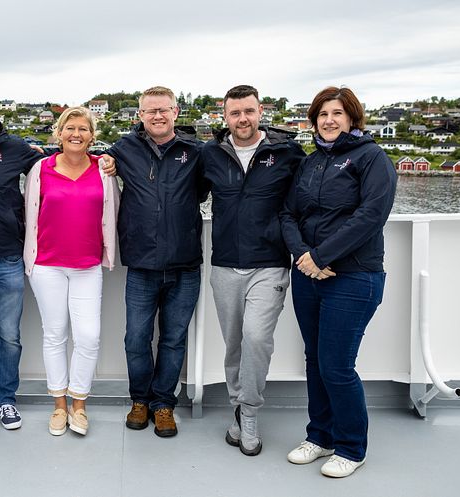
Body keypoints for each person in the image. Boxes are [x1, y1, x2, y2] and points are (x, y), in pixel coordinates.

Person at [0, 87, 115, 431]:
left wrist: (111, 158)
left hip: (8, 258)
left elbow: (60, 153)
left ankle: (7, 400)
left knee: (12, 337)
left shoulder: (15, 149)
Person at [280, 86, 397, 478]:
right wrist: (303, 256)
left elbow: (370, 216)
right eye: (322, 114)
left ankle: (351, 447)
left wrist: (321, 256)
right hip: (309, 274)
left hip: (354, 276)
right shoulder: (310, 163)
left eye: (337, 113)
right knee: (315, 360)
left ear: (352, 118)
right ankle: (320, 436)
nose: (329, 120)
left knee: (337, 365)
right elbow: (287, 214)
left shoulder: (371, 158)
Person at [201, 85, 305, 456]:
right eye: (234, 113)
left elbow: (309, 199)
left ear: (260, 111)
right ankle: (237, 406)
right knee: (234, 344)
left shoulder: (287, 153)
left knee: (257, 338)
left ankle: (250, 414)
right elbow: (185, 192)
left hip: (270, 264)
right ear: (224, 117)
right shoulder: (210, 154)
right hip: (225, 263)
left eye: (248, 111)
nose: (242, 119)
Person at [107, 86, 207, 438]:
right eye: (150, 111)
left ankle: (163, 404)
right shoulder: (123, 150)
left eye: (164, 110)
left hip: (184, 265)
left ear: (176, 112)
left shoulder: (196, 152)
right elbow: (80, 157)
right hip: (141, 265)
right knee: (136, 338)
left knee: (173, 339)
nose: (158, 116)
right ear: (140, 115)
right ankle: (140, 400)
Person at [23, 107, 120, 436]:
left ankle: (80, 404)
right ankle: (59, 406)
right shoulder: (40, 169)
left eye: (83, 129)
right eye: (69, 129)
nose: (76, 134)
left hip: (87, 265)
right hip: (47, 265)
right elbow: (30, 214)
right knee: (55, 334)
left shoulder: (105, 171)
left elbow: (113, 213)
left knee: (88, 337)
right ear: (59, 134)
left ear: (92, 136)